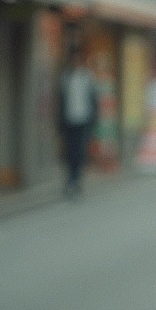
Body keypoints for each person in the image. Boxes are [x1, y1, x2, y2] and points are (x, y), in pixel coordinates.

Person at [58, 48, 99, 198]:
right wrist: (60, 123)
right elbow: (61, 102)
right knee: (70, 151)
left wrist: (94, 120)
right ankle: (70, 179)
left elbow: (94, 100)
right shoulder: (66, 78)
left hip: (83, 119)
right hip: (69, 120)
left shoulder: (87, 78)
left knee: (80, 151)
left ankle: (76, 179)